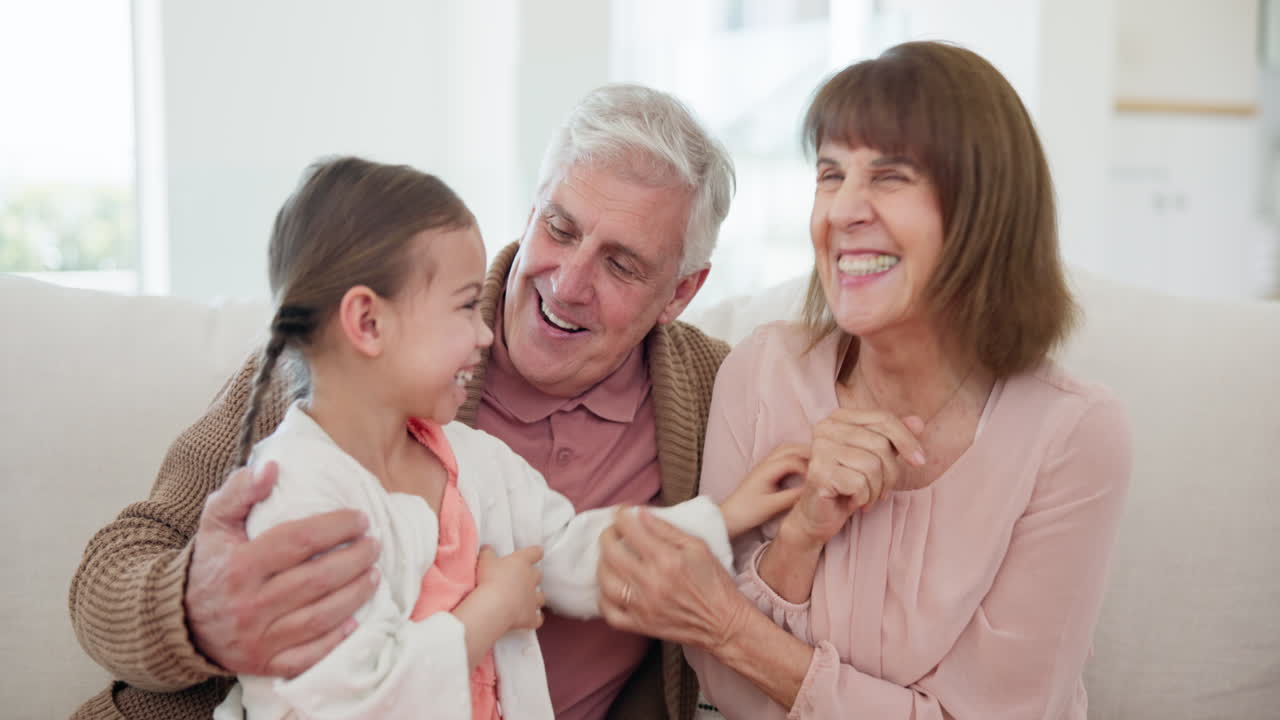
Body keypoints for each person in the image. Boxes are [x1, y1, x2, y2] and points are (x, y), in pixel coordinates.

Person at [68, 84, 740, 720]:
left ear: (681, 292)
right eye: (560, 229)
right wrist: (195, 611)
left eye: (621, 265)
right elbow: (111, 573)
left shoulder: (716, 392)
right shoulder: (358, 346)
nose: (567, 284)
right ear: (532, 208)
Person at [594, 41, 1132, 719]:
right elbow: (725, 690)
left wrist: (731, 625)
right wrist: (800, 537)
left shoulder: (1071, 435)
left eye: (889, 176)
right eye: (830, 174)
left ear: (984, 211)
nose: (843, 210)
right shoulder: (761, 372)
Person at [205, 156, 792, 720]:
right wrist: (490, 611)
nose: (484, 333)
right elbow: (352, 698)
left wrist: (726, 515)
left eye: (621, 263)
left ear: (680, 291)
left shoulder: (471, 461)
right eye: (463, 308)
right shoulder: (297, 492)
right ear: (367, 324)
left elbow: (573, 550)